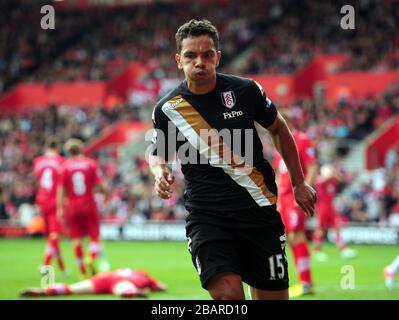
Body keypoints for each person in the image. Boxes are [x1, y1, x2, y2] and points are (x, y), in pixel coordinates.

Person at [149, 19, 316, 300]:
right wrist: (159, 172)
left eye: (207, 54)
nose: (199, 62)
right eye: (191, 56)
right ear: (179, 60)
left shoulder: (246, 91)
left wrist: (299, 182)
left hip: (259, 211)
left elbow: (278, 128)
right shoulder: (168, 108)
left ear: (218, 57)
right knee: (228, 298)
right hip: (208, 217)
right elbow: (157, 153)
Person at [273, 110, 317, 298]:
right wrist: (276, 200)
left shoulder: (302, 139)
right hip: (283, 197)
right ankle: (303, 280)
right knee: (289, 238)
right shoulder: (279, 144)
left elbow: (313, 166)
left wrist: (305, 190)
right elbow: (279, 174)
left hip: (294, 195)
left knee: (297, 234)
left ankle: (307, 283)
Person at [58, 138, 110, 277]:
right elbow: (100, 184)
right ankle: (91, 258)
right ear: (81, 149)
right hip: (88, 204)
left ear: (68, 152)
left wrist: (60, 208)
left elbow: (61, 190)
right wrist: (106, 195)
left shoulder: (65, 166)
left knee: (76, 240)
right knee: (94, 237)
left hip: (72, 206)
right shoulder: (90, 164)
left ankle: (82, 271)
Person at [33, 137, 67, 275]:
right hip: (55, 201)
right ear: (57, 148)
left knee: (52, 237)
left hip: (42, 200)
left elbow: (37, 181)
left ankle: (63, 268)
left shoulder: (38, 161)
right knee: (55, 235)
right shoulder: (61, 162)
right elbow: (62, 184)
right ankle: (45, 265)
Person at [20, 268, 167, 298]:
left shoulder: (120, 270)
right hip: (124, 282)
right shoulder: (144, 276)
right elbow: (161, 286)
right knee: (123, 290)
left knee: (72, 289)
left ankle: (46, 291)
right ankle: (132, 292)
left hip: (103, 278)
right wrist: (159, 287)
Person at [313, 164, 357, 261]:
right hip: (322, 209)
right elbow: (325, 179)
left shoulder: (332, 181)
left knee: (337, 228)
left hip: (331, 209)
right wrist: (331, 173)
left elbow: (342, 179)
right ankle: (317, 252)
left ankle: (343, 250)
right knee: (320, 230)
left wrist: (335, 172)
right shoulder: (320, 181)